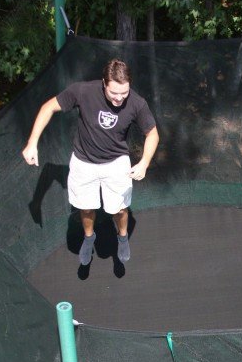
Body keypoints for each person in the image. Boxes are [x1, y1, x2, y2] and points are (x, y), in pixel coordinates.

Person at [21, 59, 159, 266]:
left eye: (124, 92)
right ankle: (89, 236)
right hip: (83, 162)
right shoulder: (83, 91)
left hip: (116, 162)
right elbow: (48, 107)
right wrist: (32, 143)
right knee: (85, 208)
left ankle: (122, 237)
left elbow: (153, 134)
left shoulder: (137, 103)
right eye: (114, 93)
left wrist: (144, 162)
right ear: (104, 83)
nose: (120, 98)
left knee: (120, 210)